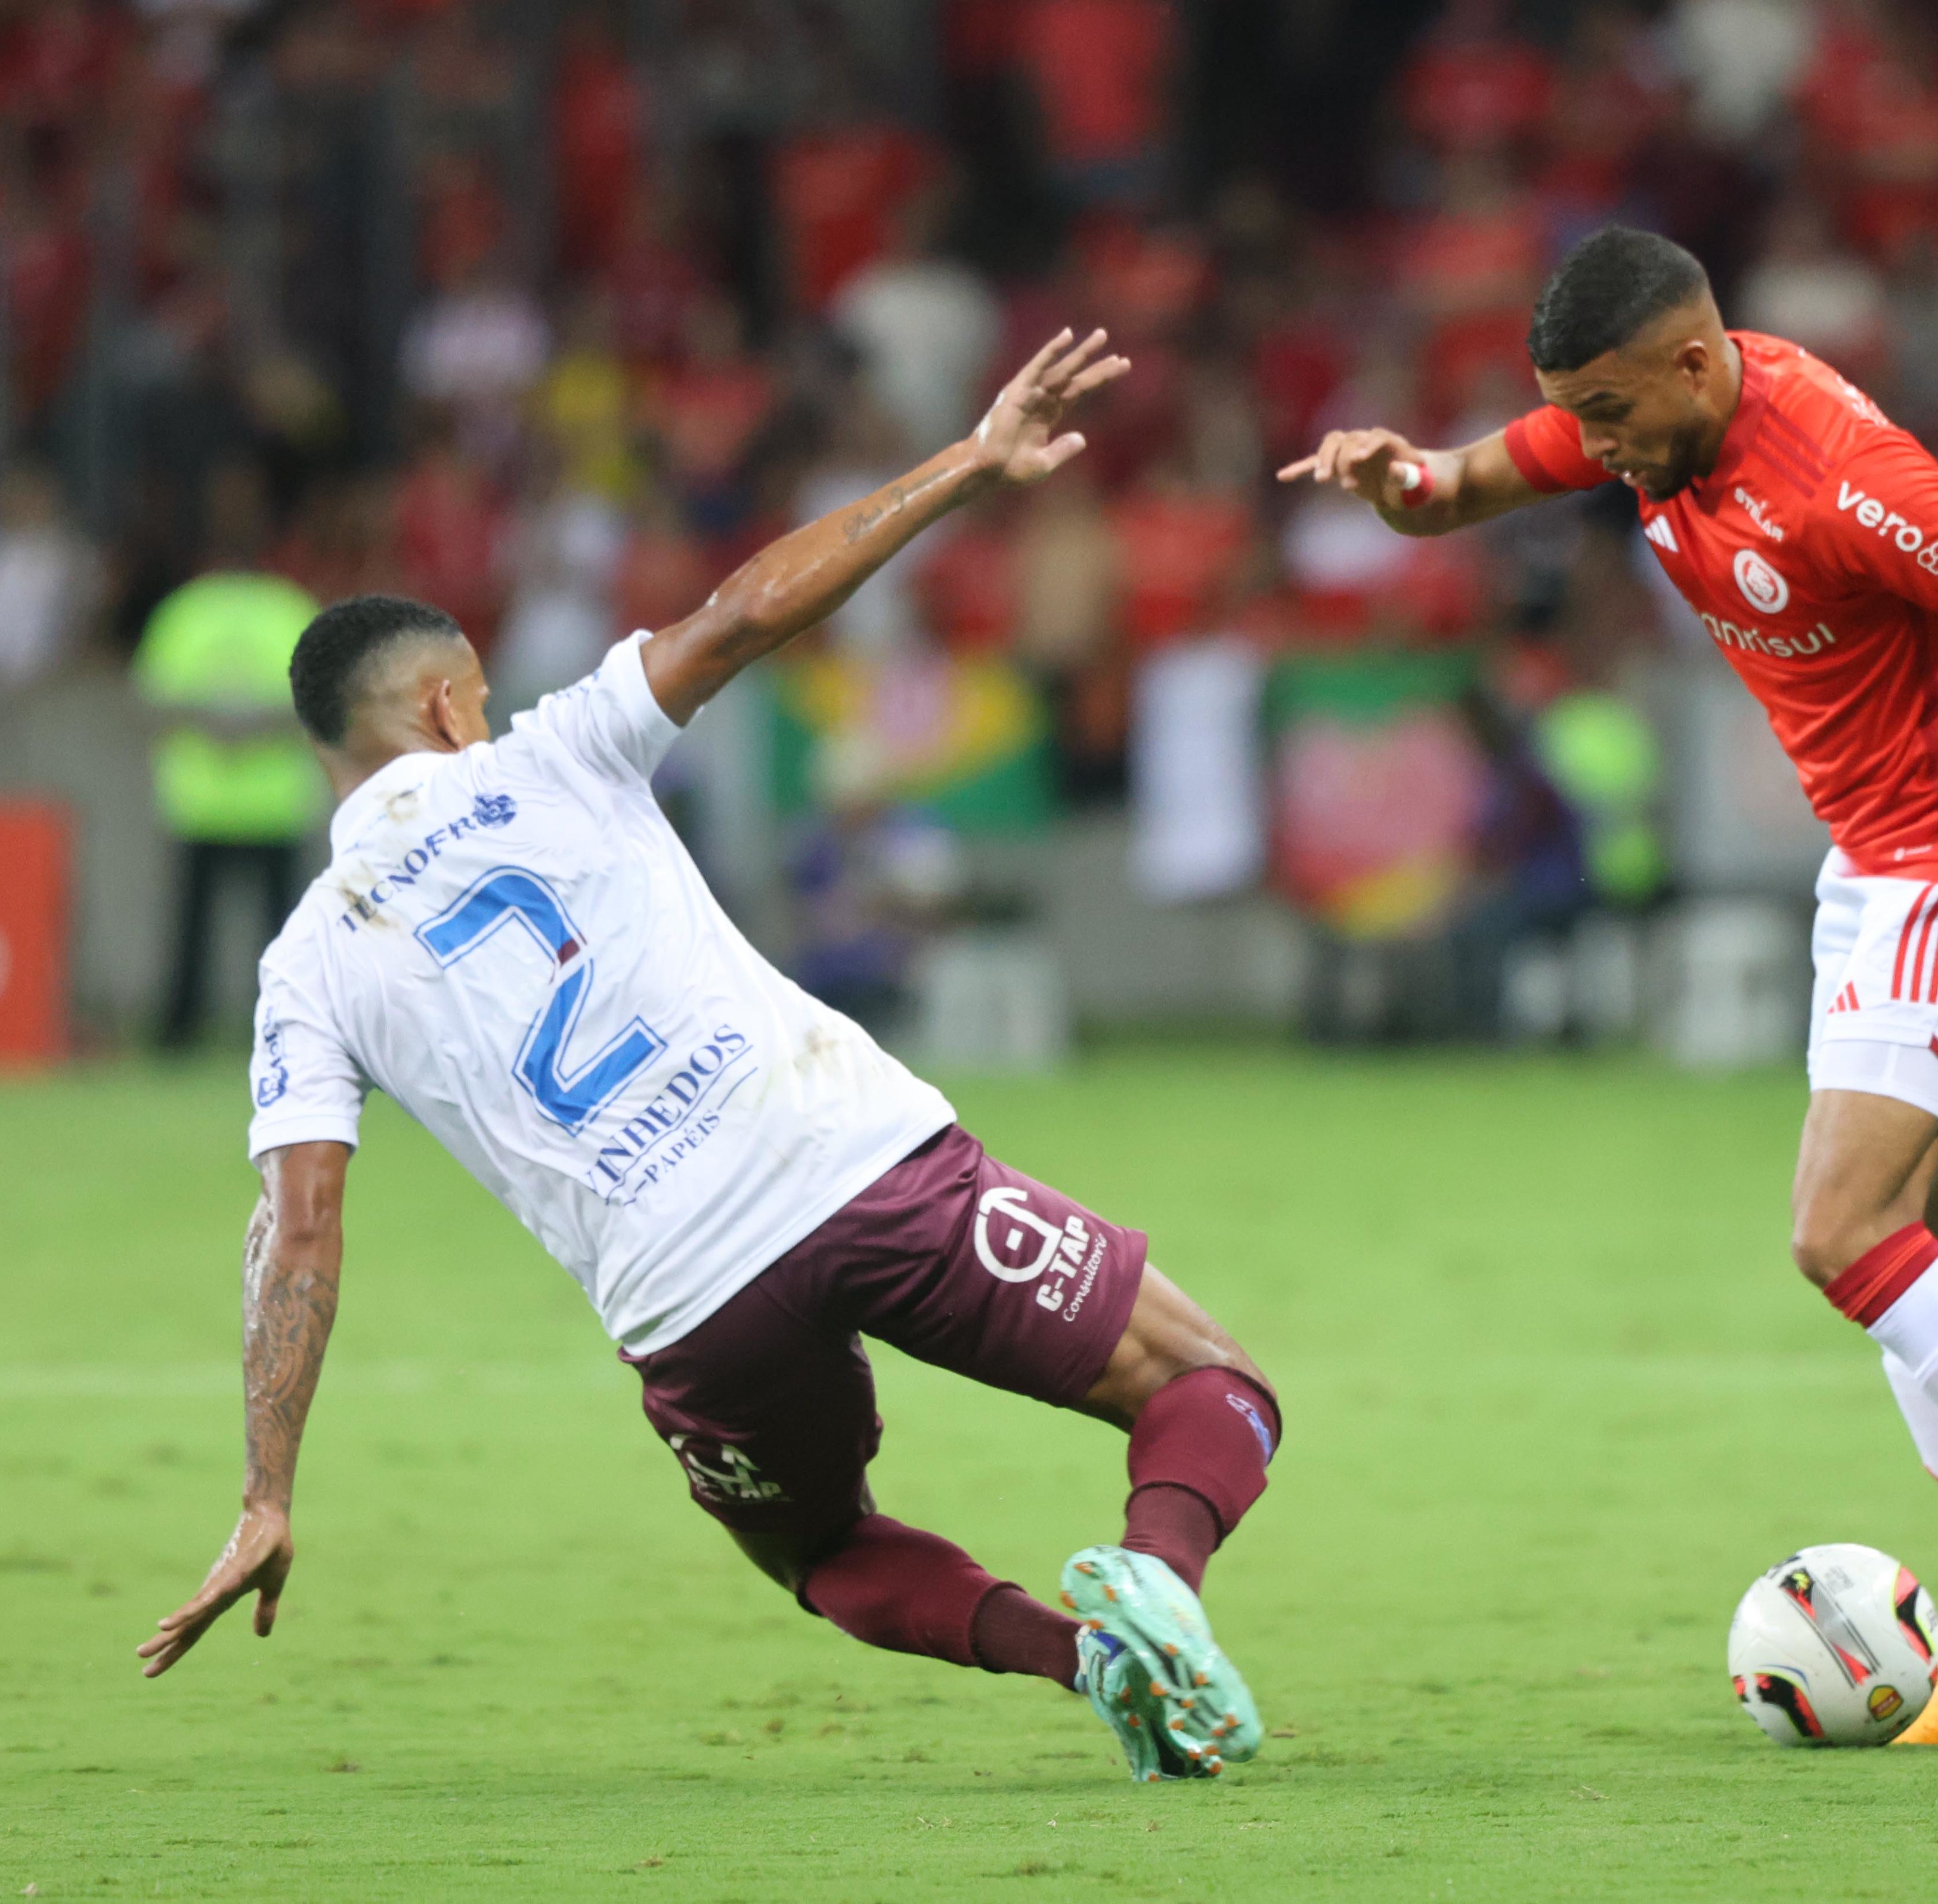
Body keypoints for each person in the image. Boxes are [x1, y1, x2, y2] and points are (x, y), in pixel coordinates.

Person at [138, 332, 1279, 1785]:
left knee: (822, 1551)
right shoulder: (547, 755)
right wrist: (966, 464)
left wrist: (267, 1487)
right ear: (445, 704)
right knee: (1208, 1385)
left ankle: (1087, 1656)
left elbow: (297, 1228)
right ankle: (1158, 1581)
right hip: (849, 1160)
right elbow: (745, 612)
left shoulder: (303, 963)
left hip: (684, 1300)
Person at [1281, 227, 1938, 1749]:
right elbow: (1460, 489)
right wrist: (1397, 478)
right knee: (1900, 1246)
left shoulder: (1843, 480)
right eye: (1573, 414)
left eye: (1606, 411)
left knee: (1837, 1227)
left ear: (1694, 358)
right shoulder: (1646, 422)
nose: (1592, 445)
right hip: (1880, 860)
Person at [134, 554, 324, 1049]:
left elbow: (155, 701)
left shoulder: (188, 611)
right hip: (241, 804)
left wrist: (223, 727)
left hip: (239, 804)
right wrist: (255, 726)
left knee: (253, 938)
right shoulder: (286, 608)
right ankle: (274, 1035)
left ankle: (193, 1037)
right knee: (241, 937)